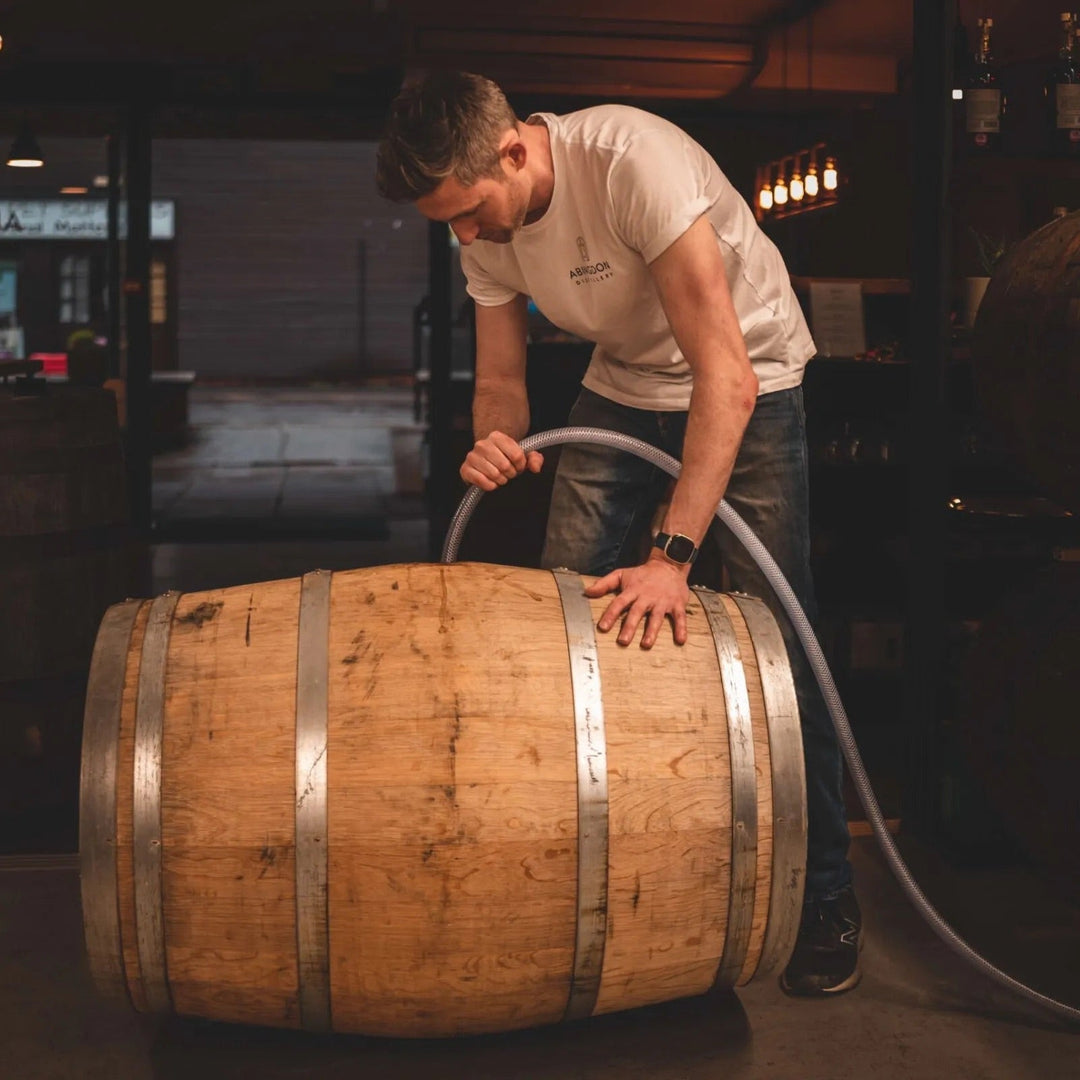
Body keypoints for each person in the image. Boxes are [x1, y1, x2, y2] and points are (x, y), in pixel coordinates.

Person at [376, 71, 860, 996]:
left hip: (750, 376)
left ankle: (825, 895)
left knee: (781, 643)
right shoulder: (480, 228)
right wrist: (493, 442)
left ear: (514, 150)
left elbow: (728, 380)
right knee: (561, 625)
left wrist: (672, 557)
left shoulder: (633, 162)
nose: (465, 236)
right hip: (625, 385)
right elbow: (503, 385)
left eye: (471, 211)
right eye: (450, 222)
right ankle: (589, 871)